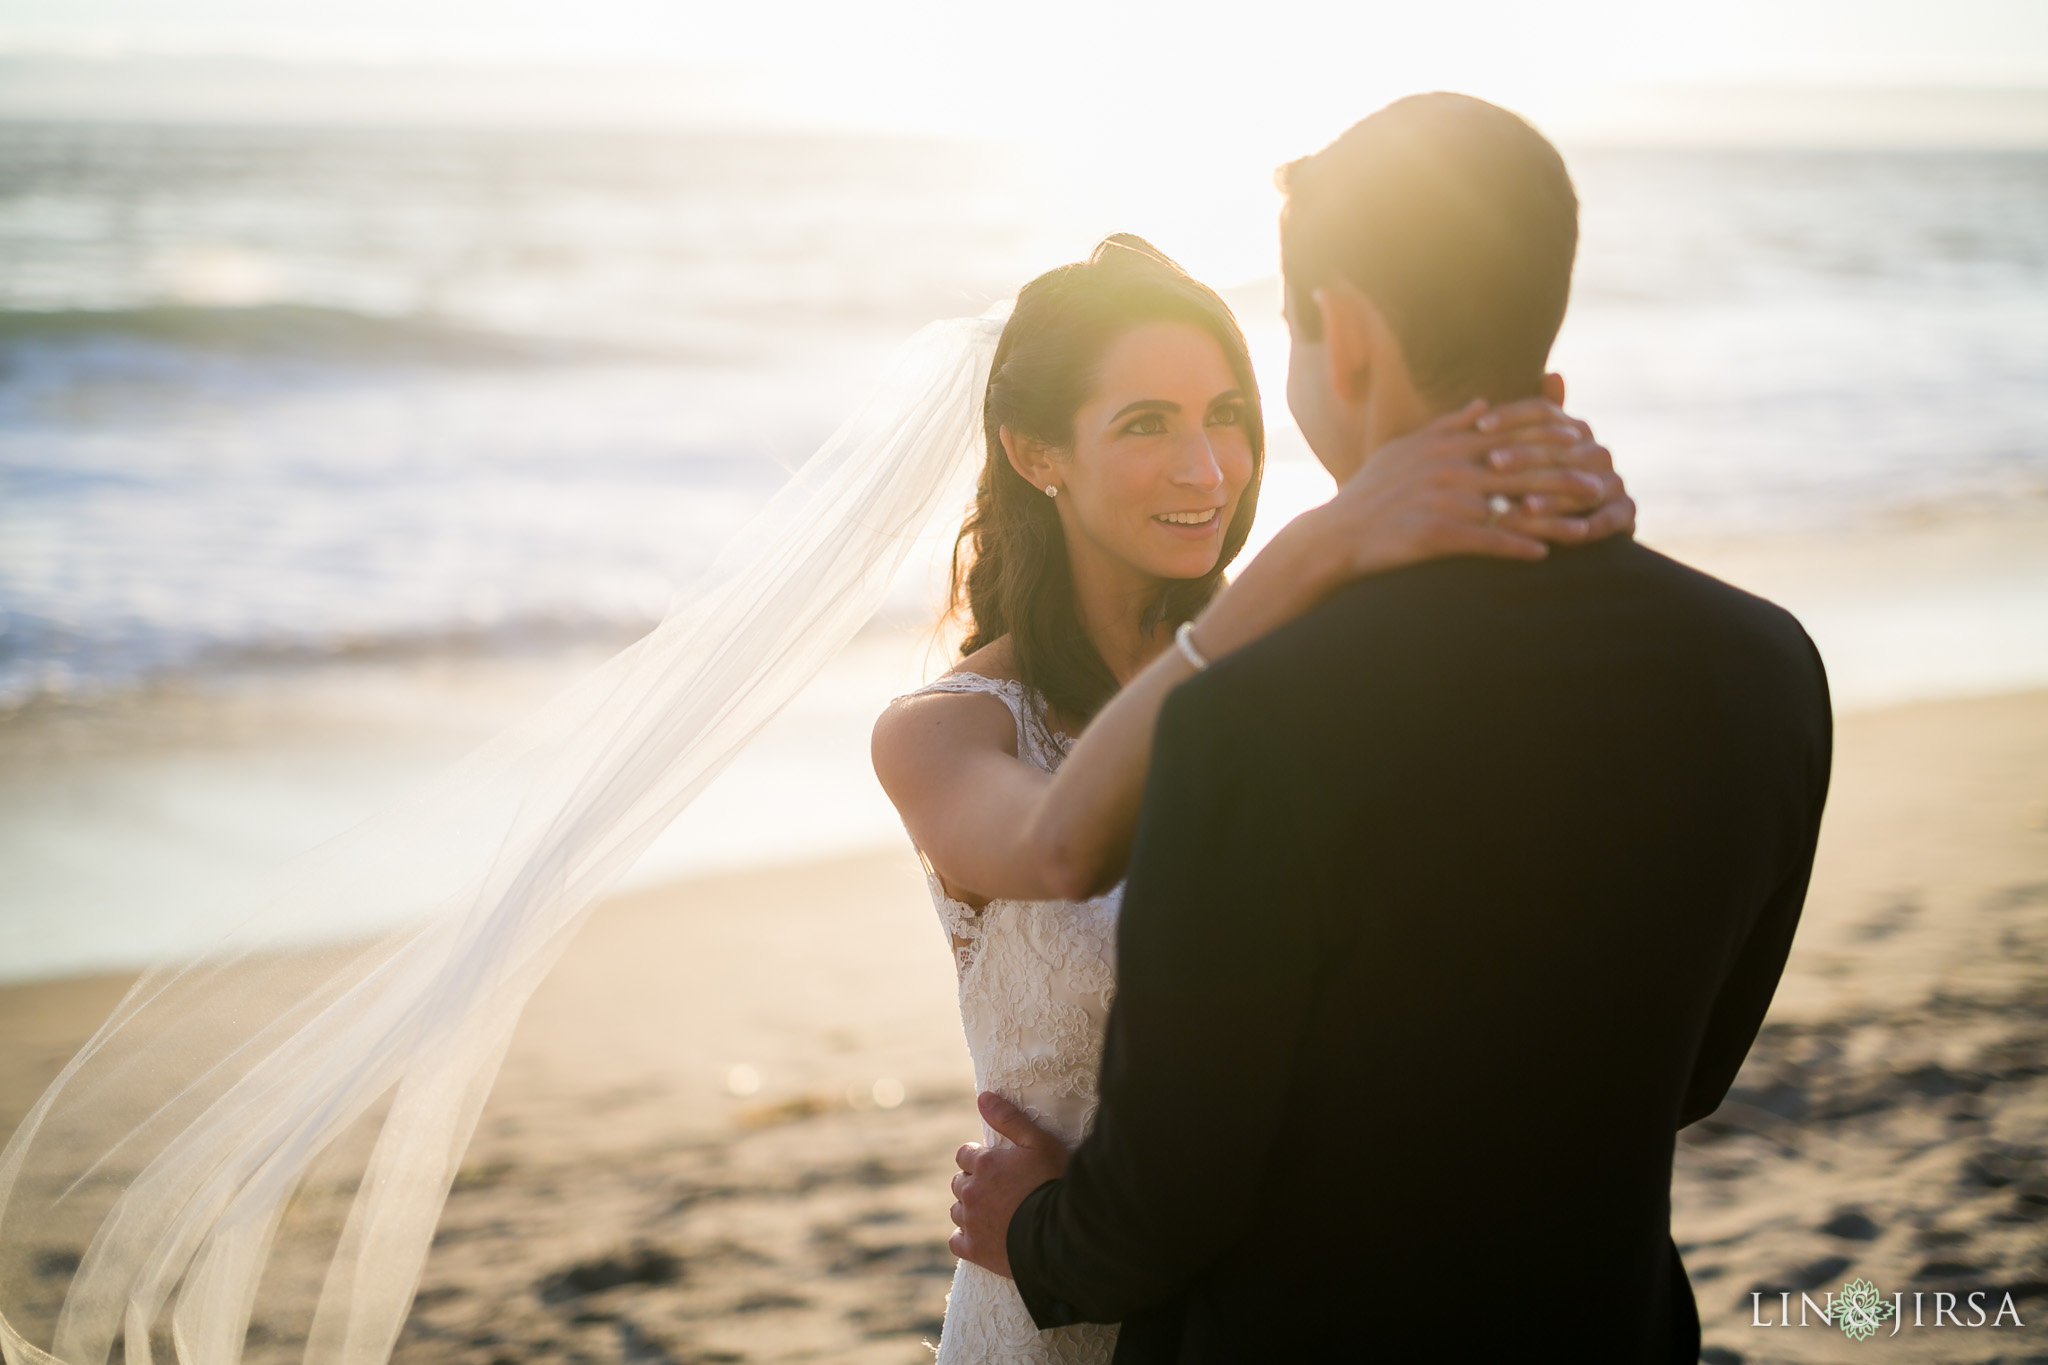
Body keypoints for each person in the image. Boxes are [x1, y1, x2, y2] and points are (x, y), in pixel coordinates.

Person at [944, 95, 1833, 1363]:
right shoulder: (1766, 664)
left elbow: (1160, 1206)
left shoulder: (1249, 715)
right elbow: (1688, 1079)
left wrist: (1036, 1233)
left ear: (1343, 342)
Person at [872, 231, 1635, 1362]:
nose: (1209, 471)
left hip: (1283, 1310)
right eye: (1146, 425)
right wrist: (1309, 557)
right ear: (1036, 452)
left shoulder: (1312, 667)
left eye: (1225, 413)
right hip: (1052, 1311)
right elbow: (1057, 843)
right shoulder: (942, 733)